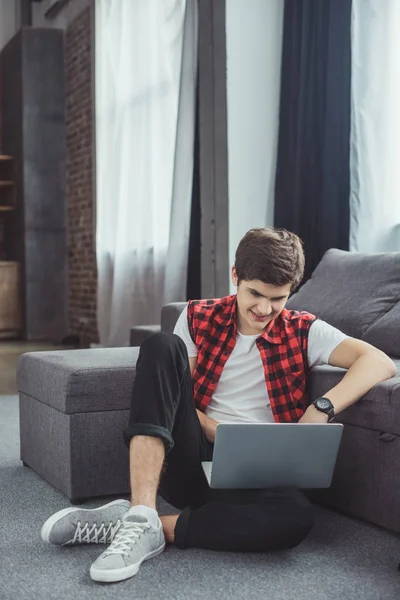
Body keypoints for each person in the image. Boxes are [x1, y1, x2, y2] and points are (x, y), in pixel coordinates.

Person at [40, 227, 396, 583]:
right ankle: (143, 509)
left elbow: (380, 361)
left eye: (278, 299)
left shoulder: (304, 329)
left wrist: (322, 407)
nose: (264, 309)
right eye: (254, 293)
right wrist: (213, 428)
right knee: (161, 347)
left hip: (260, 473)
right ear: (235, 276)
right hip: (192, 459)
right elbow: (176, 397)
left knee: (296, 518)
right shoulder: (197, 317)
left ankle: (142, 523)